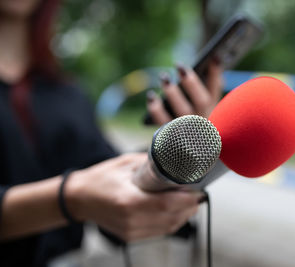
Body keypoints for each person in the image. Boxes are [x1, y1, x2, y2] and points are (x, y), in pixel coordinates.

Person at [0, 0, 223, 266]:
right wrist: (70, 197)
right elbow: (86, 189)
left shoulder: (68, 96)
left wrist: (175, 151)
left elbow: (112, 180)